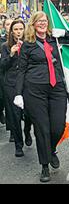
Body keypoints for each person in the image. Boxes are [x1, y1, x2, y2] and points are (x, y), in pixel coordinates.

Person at [14, 11, 69, 182]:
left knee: (57, 126)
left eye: (45, 21)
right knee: (42, 129)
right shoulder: (28, 44)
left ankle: (50, 151)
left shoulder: (54, 38)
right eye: (39, 21)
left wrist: (64, 33)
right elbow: (21, 70)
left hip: (57, 87)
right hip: (34, 90)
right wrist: (18, 94)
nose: (42, 23)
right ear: (33, 24)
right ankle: (44, 166)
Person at [1, 19, 32, 157]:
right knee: (14, 114)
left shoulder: (28, 44)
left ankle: (27, 130)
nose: (19, 32)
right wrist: (11, 54)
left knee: (29, 112)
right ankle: (18, 144)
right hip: (11, 83)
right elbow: (3, 66)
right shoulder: (5, 46)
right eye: (16, 29)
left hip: (26, 82)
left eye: (21, 29)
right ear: (12, 32)